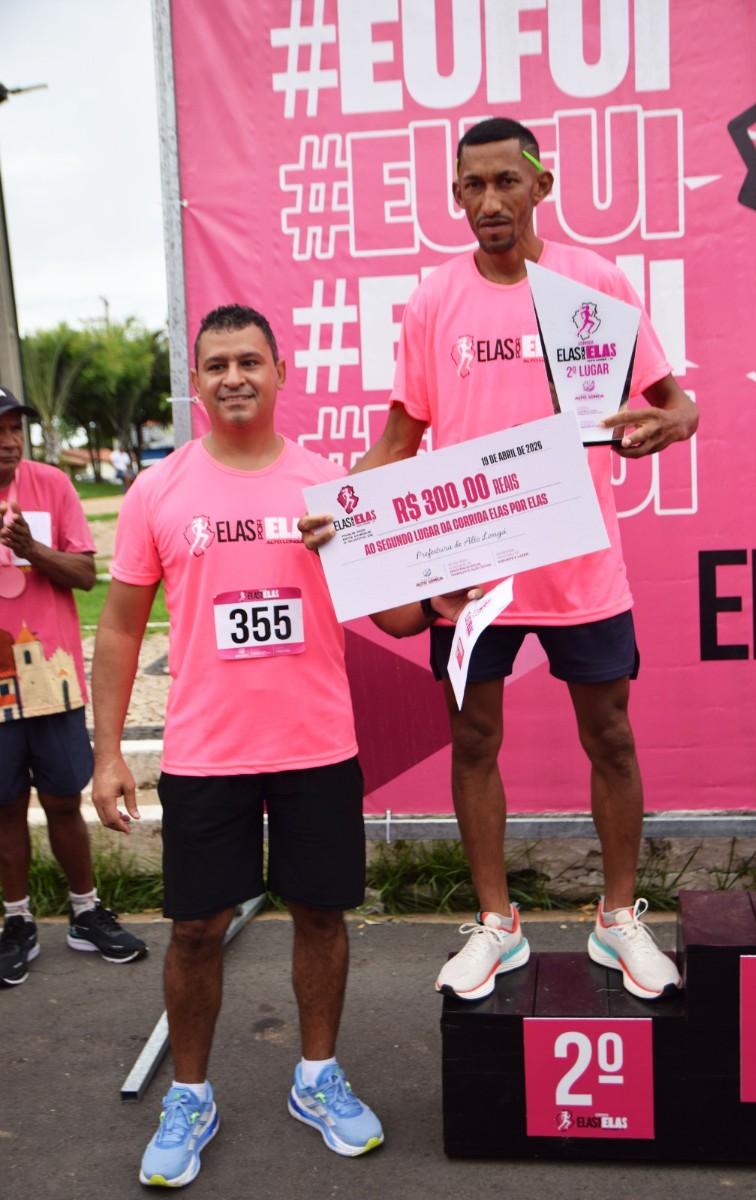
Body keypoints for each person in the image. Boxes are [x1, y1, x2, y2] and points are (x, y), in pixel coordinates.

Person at [300, 117, 699, 1005]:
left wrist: (664, 425)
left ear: (540, 184)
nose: (489, 202)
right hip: (473, 576)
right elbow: (401, 438)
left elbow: (677, 405)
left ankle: (618, 918)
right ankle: (496, 924)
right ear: (455, 198)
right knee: (474, 740)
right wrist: (337, 509)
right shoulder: (434, 300)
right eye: (471, 187)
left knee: (613, 739)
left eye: (505, 183)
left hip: (582, 569)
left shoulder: (592, 284)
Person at [91, 305, 402, 1188]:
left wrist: (437, 575)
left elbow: (393, 609)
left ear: (281, 372)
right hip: (205, 754)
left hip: (314, 745)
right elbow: (118, 629)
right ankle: (190, 1093)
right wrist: (109, 751)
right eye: (216, 363)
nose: (234, 376)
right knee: (195, 929)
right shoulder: (160, 490)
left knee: (321, 914)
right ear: (195, 381)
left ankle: (317, 1077)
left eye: (250, 361)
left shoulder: (327, 485)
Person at [0, 387, 147, 988]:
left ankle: (85, 910)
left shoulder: (53, 486)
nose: (10, 440)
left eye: (16, 428)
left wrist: (31, 550)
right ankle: (16, 922)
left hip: (50, 675)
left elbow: (87, 574)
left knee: (63, 798)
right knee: (5, 806)